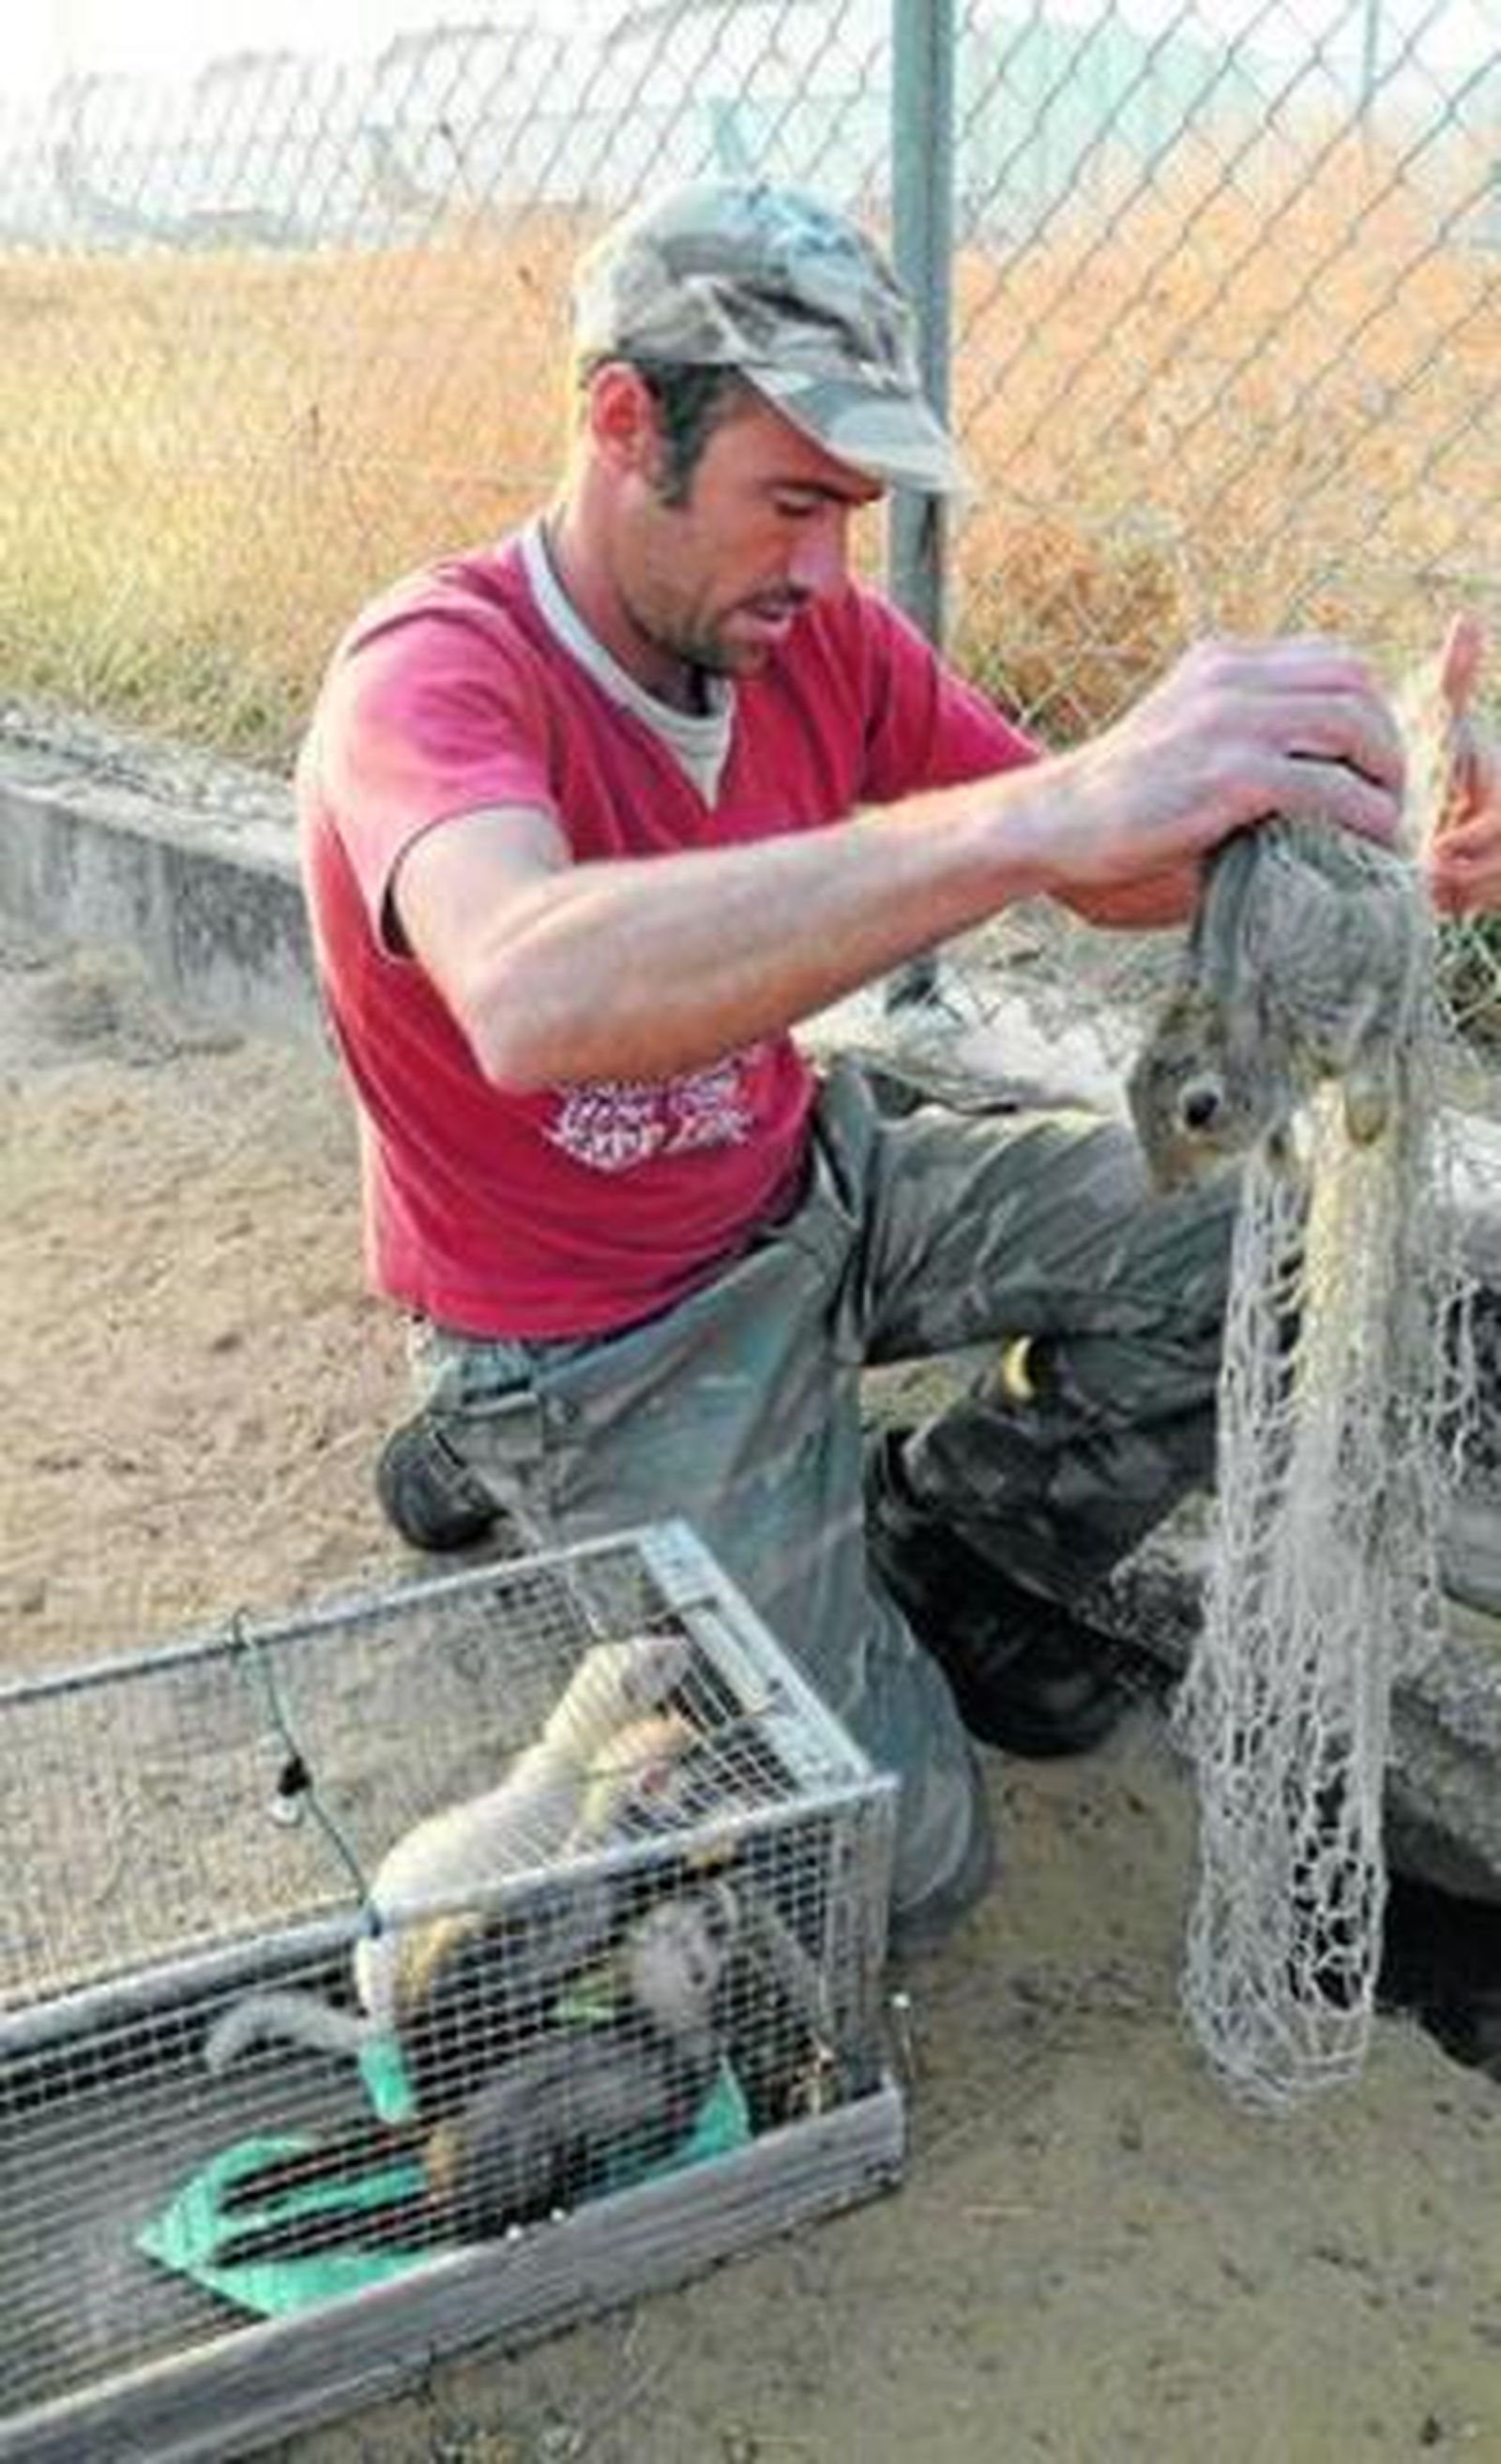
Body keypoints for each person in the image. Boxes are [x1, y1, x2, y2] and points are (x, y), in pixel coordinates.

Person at [298, 179, 1498, 1950]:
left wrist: (1367, 853)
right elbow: (530, 987)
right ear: (625, 422)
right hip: (599, 1336)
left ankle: (946, 1560)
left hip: (817, 1179)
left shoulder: (811, 639)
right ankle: (533, 1484)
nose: (823, 570)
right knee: (903, 1872)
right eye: (792, 501)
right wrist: (1038, 809)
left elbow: (1102, 871)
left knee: (1253, 1235)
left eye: (851, 514)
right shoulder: (433, 677)